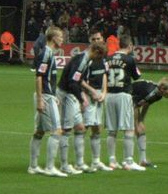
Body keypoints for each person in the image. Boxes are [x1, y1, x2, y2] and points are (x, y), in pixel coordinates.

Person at [57, 41, 108, 174]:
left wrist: (82, 96)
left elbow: (77, 81)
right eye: (100, 56)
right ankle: (64, 165)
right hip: (66, 95)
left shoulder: (84, 59)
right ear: (96, 52)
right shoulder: (82, 60)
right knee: (66, 129)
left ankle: (79, 163)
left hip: (72, 95)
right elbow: (72, 82)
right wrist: (82, 98)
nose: (99, 60)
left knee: (80, 127)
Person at [28, 26, 66, 177]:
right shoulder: (46, 54)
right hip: (44, 96)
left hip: (48, 95)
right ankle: (50, 167)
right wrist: (40, 99)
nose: (62, 39)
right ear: (54, 38)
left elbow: (47, 78)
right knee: (57, 131)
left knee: (39, 131)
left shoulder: (49, 53)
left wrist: (53, 94)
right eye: (61, 37)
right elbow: (39, 76)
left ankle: (33, 166)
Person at [105, 35, 144, 170]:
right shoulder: (129, 59)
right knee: (128, 129)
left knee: (111, 130)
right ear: (130, 46)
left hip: (109, 95)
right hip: (123, 95)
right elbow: (137, 76)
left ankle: (111, 160)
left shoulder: (107, 58)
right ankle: (128, 161)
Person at [81, 30, 109, 171]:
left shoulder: (103, 57)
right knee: (84, 128)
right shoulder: (86, 58)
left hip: (99, 95)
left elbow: (104, 75)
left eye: (99, 38)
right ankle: (79, 162)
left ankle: (96, 161)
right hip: (87, 95)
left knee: (97, 128)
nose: (97, 41)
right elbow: (79, 80)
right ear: (90, 40)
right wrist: (89, 94)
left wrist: (104, 92)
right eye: (94, 39)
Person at [132, 77, 168, 168]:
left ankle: (142, 160)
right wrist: (136, 123)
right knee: (133, 130)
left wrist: (141, 120)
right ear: (163, 89)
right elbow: (135, 105)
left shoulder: (158, 95)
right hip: (127, 101)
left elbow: (147, 103)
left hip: (134, 102)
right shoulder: (150, 92)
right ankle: (128, 161)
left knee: (141, 129)